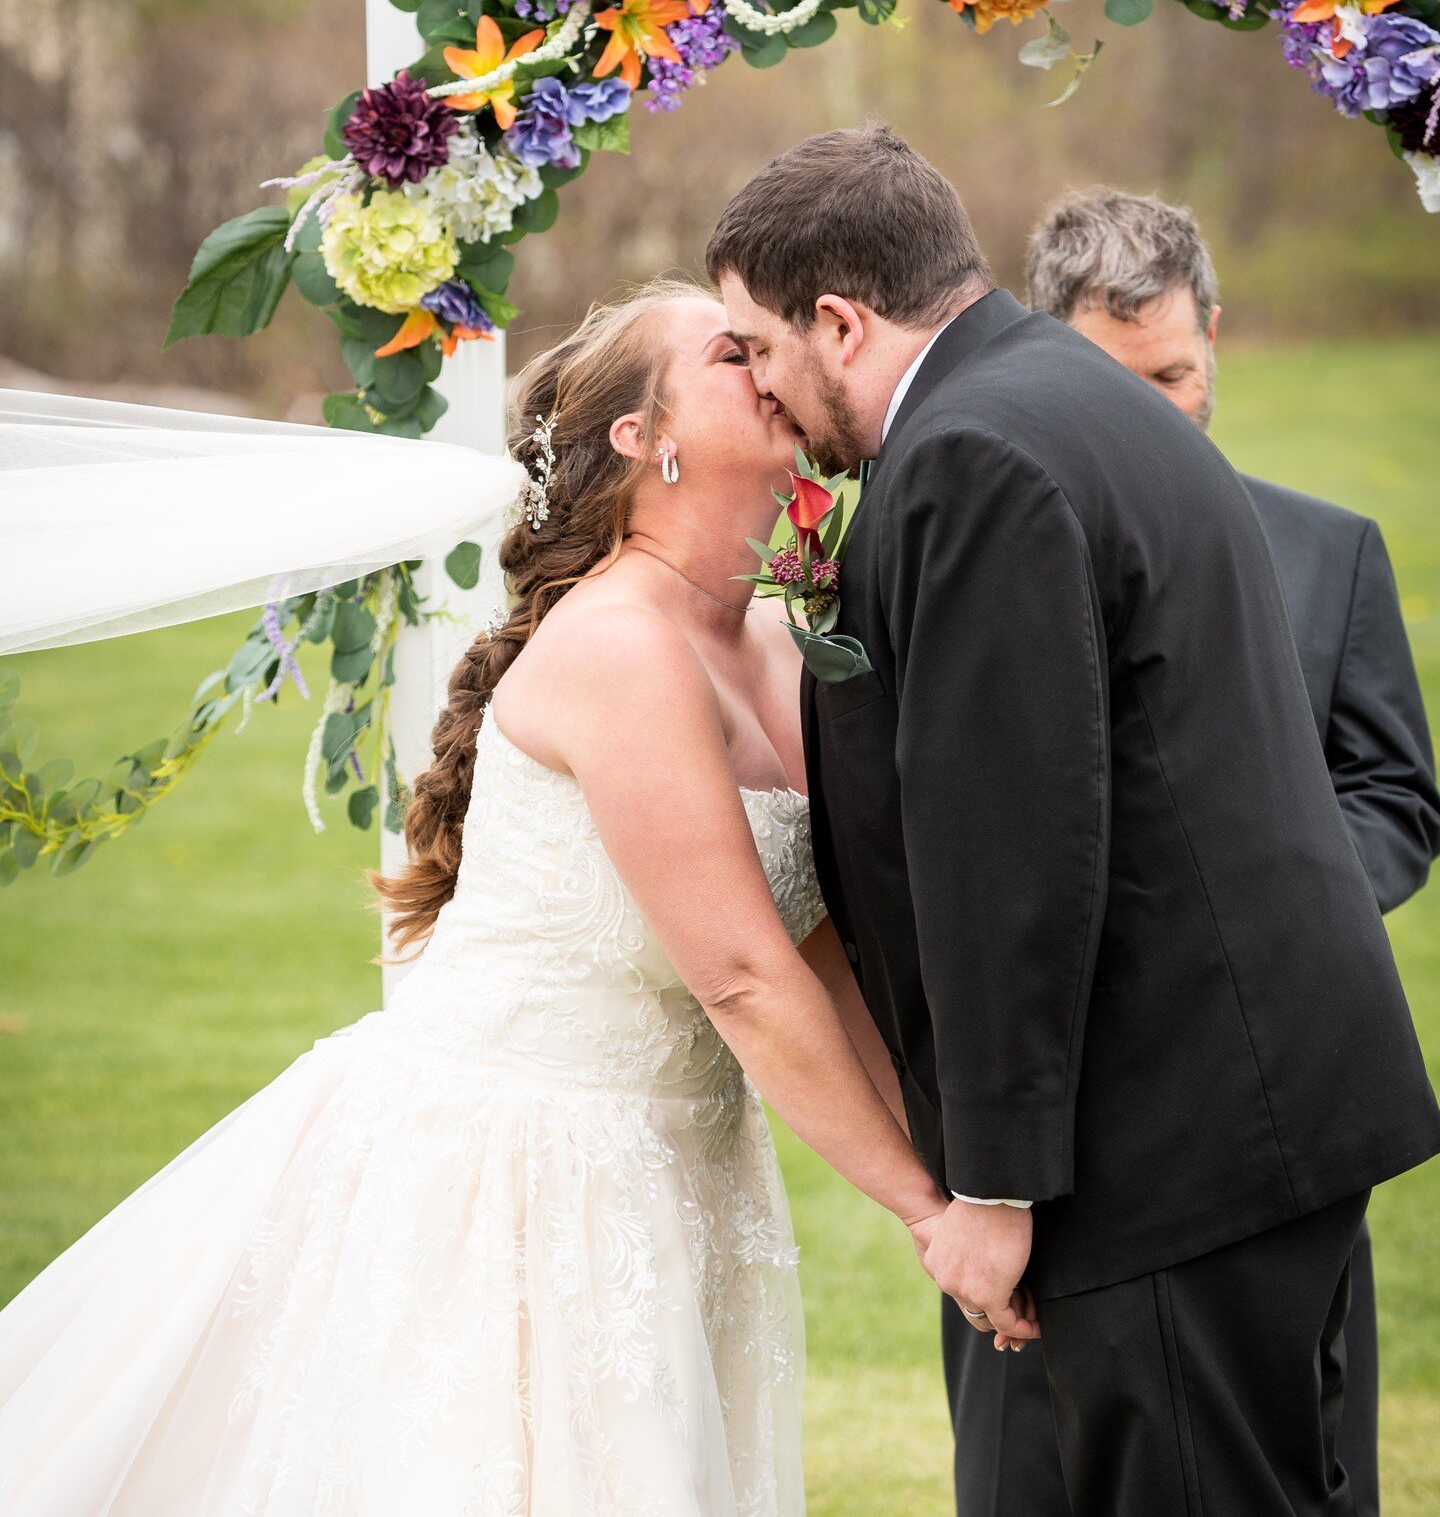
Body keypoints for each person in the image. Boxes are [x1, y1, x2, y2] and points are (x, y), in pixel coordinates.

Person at [0, 280, 957, 1516]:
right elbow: (741, 975)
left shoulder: (776, 640)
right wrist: (927, 1216)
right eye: (734, 355)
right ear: (645, 435)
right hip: (521, 1175)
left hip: (681, 1163)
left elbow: (814, 944)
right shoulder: (621, 646)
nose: (772, 367)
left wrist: (954, 1175)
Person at [709, 126, 1440, 1517]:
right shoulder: (1057, 395)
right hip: (1243, 1107)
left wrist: (993, 1189)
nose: (757, 383)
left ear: (841, 322)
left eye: (756, 345)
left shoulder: (969, 455)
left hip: (1171, 1134)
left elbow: (1010, 847)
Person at [937, 184, 1440, 1517]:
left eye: (1172, 374)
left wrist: (1265, 902)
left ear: (1215, 335)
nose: (1152, 412)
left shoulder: (1330, 551)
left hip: (1266, 1094)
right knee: (1028, 1460)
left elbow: (1396, 791)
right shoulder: (985, 540)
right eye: (1115, 381)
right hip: (1050, 1108)